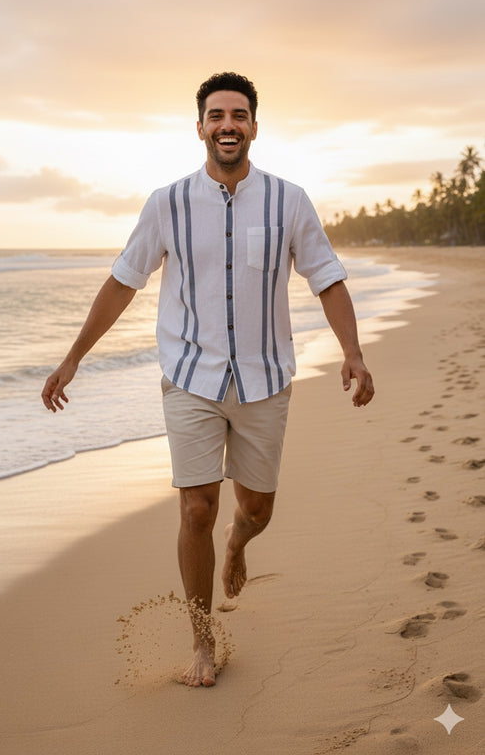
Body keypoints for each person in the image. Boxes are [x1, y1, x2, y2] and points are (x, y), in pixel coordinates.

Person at [41, 72, 374, 688]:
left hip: (265, 380)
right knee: (196, 507)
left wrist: (352, 352)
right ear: (200, 128)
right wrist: (73, 358)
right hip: (190, 377)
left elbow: (326, 277)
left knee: (257, 509)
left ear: (253, 126)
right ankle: (203, 639)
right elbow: (123, 281)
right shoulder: (166, 203)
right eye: (216, 115)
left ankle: (239, 544)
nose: (228, 124)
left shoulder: (289, 201)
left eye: (239, 115)